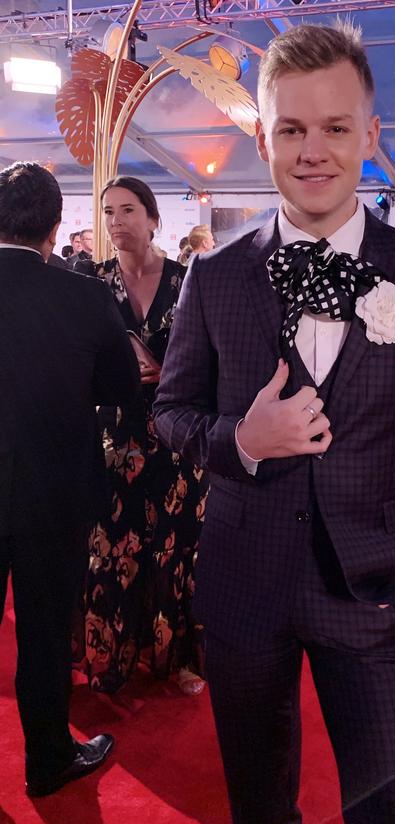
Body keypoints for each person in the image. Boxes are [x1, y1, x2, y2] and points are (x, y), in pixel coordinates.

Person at [154, 22, 395, 824]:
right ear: (262, 136)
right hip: (242, 589)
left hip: (372, 592)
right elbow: (172, 412)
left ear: (370, 136)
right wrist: (245, 442)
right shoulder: (215, 275)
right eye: (292, 129)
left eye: (336, 127)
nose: (313, 150)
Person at [0, 161, 140, 796]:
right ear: (57, 228)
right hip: (52, 488)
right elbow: (118, 390)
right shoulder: (83, 297)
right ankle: (48, 757)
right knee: (45, 628)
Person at [73, 176, 208, 696]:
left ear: (153, 219)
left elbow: (210, 360)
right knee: (113, 546)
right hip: (115, 435)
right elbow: (76, 361)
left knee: (177, 548)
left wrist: (164, 369)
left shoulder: (189, 280)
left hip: (179, 436)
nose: (116, 222)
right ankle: (112, 656)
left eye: (128, 210)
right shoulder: (91, 283)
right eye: (108, 212)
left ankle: (177, 659)